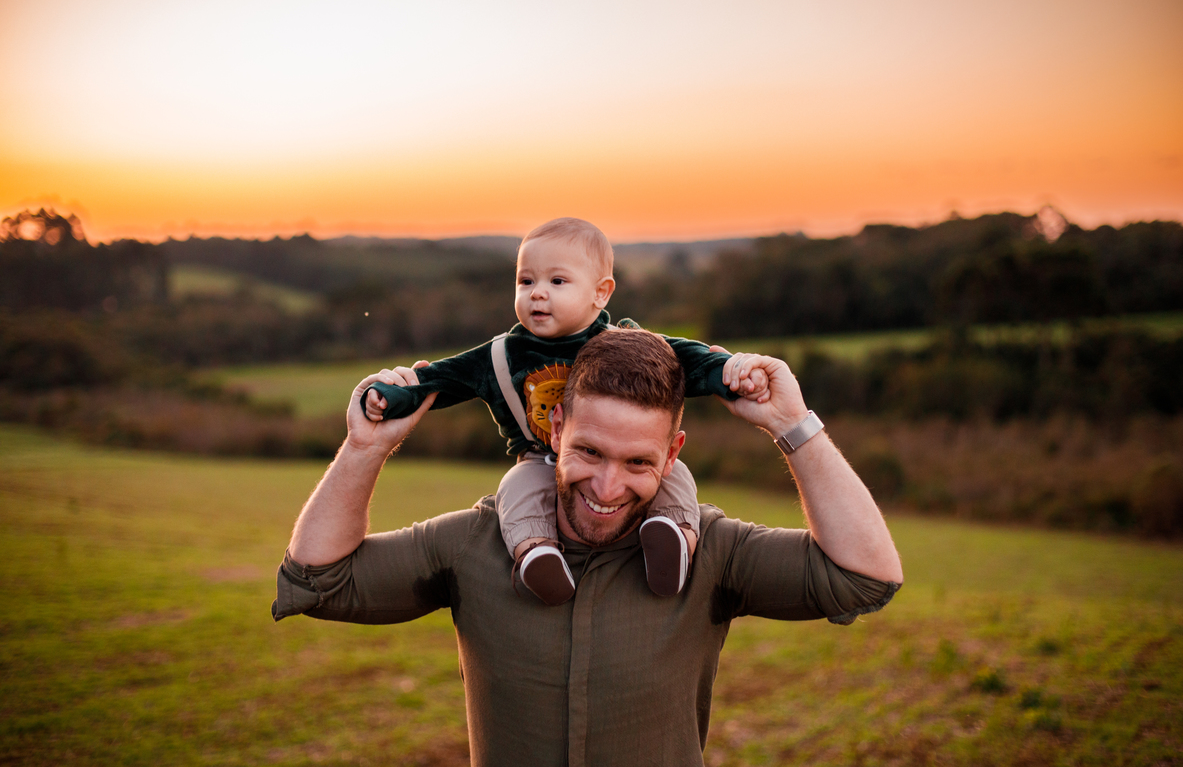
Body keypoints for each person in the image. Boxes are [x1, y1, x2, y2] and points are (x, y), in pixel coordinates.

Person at [274, 328, 903, 767]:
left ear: (674, 453)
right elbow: (319, 581)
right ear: (554, 430)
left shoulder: (711, 551)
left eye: (638, 462)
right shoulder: (473, 543)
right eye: (588, 452)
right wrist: (365, 448)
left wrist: (793, 427)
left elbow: (864, 577)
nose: (607, 487)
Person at [358, 217, 768, 604]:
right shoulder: (499, 356)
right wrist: (391, 397)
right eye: (526, 280)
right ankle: (537, 555)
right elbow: (440, 380)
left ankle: (674, 540)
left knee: (673, 474)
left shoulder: (624, 340)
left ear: (601, 292)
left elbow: (688, 360)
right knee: (516, 489)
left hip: (623, 459)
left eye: (557, 281)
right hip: (539, 460)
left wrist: (730, 373)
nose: (538, 292)